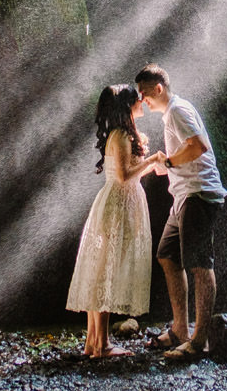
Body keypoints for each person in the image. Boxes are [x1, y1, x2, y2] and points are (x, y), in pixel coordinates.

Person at [135, 63, 227, 360]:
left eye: (144, 93)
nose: (142, 99)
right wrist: (167, 165)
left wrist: (171, 163)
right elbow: (185, 152)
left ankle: (199, 341)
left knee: (200, 264)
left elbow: (198, 146)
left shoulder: (178, 110)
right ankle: (180, 330)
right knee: (167, 255)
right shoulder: (170, 114)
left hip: (199, 194)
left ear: (158, 89)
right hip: (183, 196)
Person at [66, 84, 165, 357]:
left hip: (121, 203)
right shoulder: (121, 135)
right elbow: (123, 176)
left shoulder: (121, 134)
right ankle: (102, 345)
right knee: (106, 270)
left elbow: (128, 174)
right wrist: (153, 158)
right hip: (117, 208)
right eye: (137, 100)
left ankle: (93, 343)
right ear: (127, 106)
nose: (142, 102)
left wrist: (150, 166)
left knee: (101, 269)